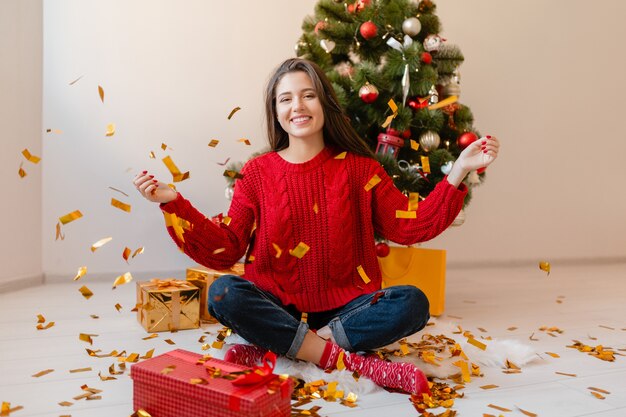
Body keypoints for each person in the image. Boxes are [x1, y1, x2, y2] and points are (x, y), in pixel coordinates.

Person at [133, 58, 500, 396]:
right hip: (276, 306)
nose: (298, 106)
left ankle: (289, 351)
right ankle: (344, 360)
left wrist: (459, 170)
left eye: (308, 95)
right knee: (224, 294)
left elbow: (409, 226)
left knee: (413, 303)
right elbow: (227, 247)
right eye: (286, 99)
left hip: (346, 310)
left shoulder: (361, 169)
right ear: (276, 112)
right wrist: (172, 202)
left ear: (324, 103)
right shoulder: (257, 173)